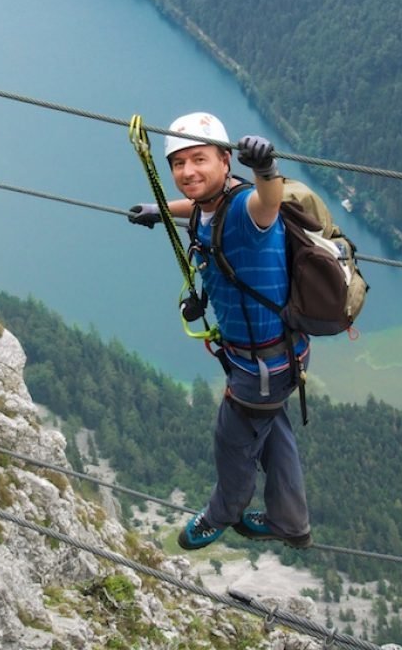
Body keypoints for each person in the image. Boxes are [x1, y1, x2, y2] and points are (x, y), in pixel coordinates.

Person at [128, 112, 312, 551]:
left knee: (233, 443)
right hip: (278, 355)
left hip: (261, 365)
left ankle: (221, 514)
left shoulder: (249, 213)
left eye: (199, 159)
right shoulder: (217, 202)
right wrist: (159, 210)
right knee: (272, 434)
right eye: (179, 163)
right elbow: (198, 206)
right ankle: (292, 522)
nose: (188, 171)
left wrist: (266, 169)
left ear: (226, 161)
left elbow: (266, 202)